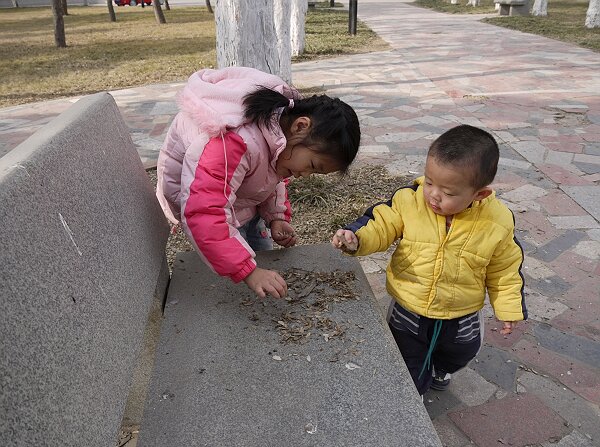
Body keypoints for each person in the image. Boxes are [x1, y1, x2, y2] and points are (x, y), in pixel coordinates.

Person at [331, 124, 526, 395]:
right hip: (410, 304)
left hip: (461, 311)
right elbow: (380, 224)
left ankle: (442, 368)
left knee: (460, 352)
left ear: (479, 193)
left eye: (447, 192)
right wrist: (356, 238)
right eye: (430, 182)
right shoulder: (408, 201)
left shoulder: (497, 222)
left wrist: (508, 309)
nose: (433, 195)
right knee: (407, 359)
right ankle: (415, 396)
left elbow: (505, 270)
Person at [156, 66, 360, 299]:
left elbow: (269, 174)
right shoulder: (233, 141)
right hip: (202, 199)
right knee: (236, 277)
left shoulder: (280, 136)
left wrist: (276, 217)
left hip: (237, 198)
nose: (304, 175)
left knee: (256, 261)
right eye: (313, 166)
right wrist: (248, 272)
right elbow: (205, 211)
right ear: (300, 126)